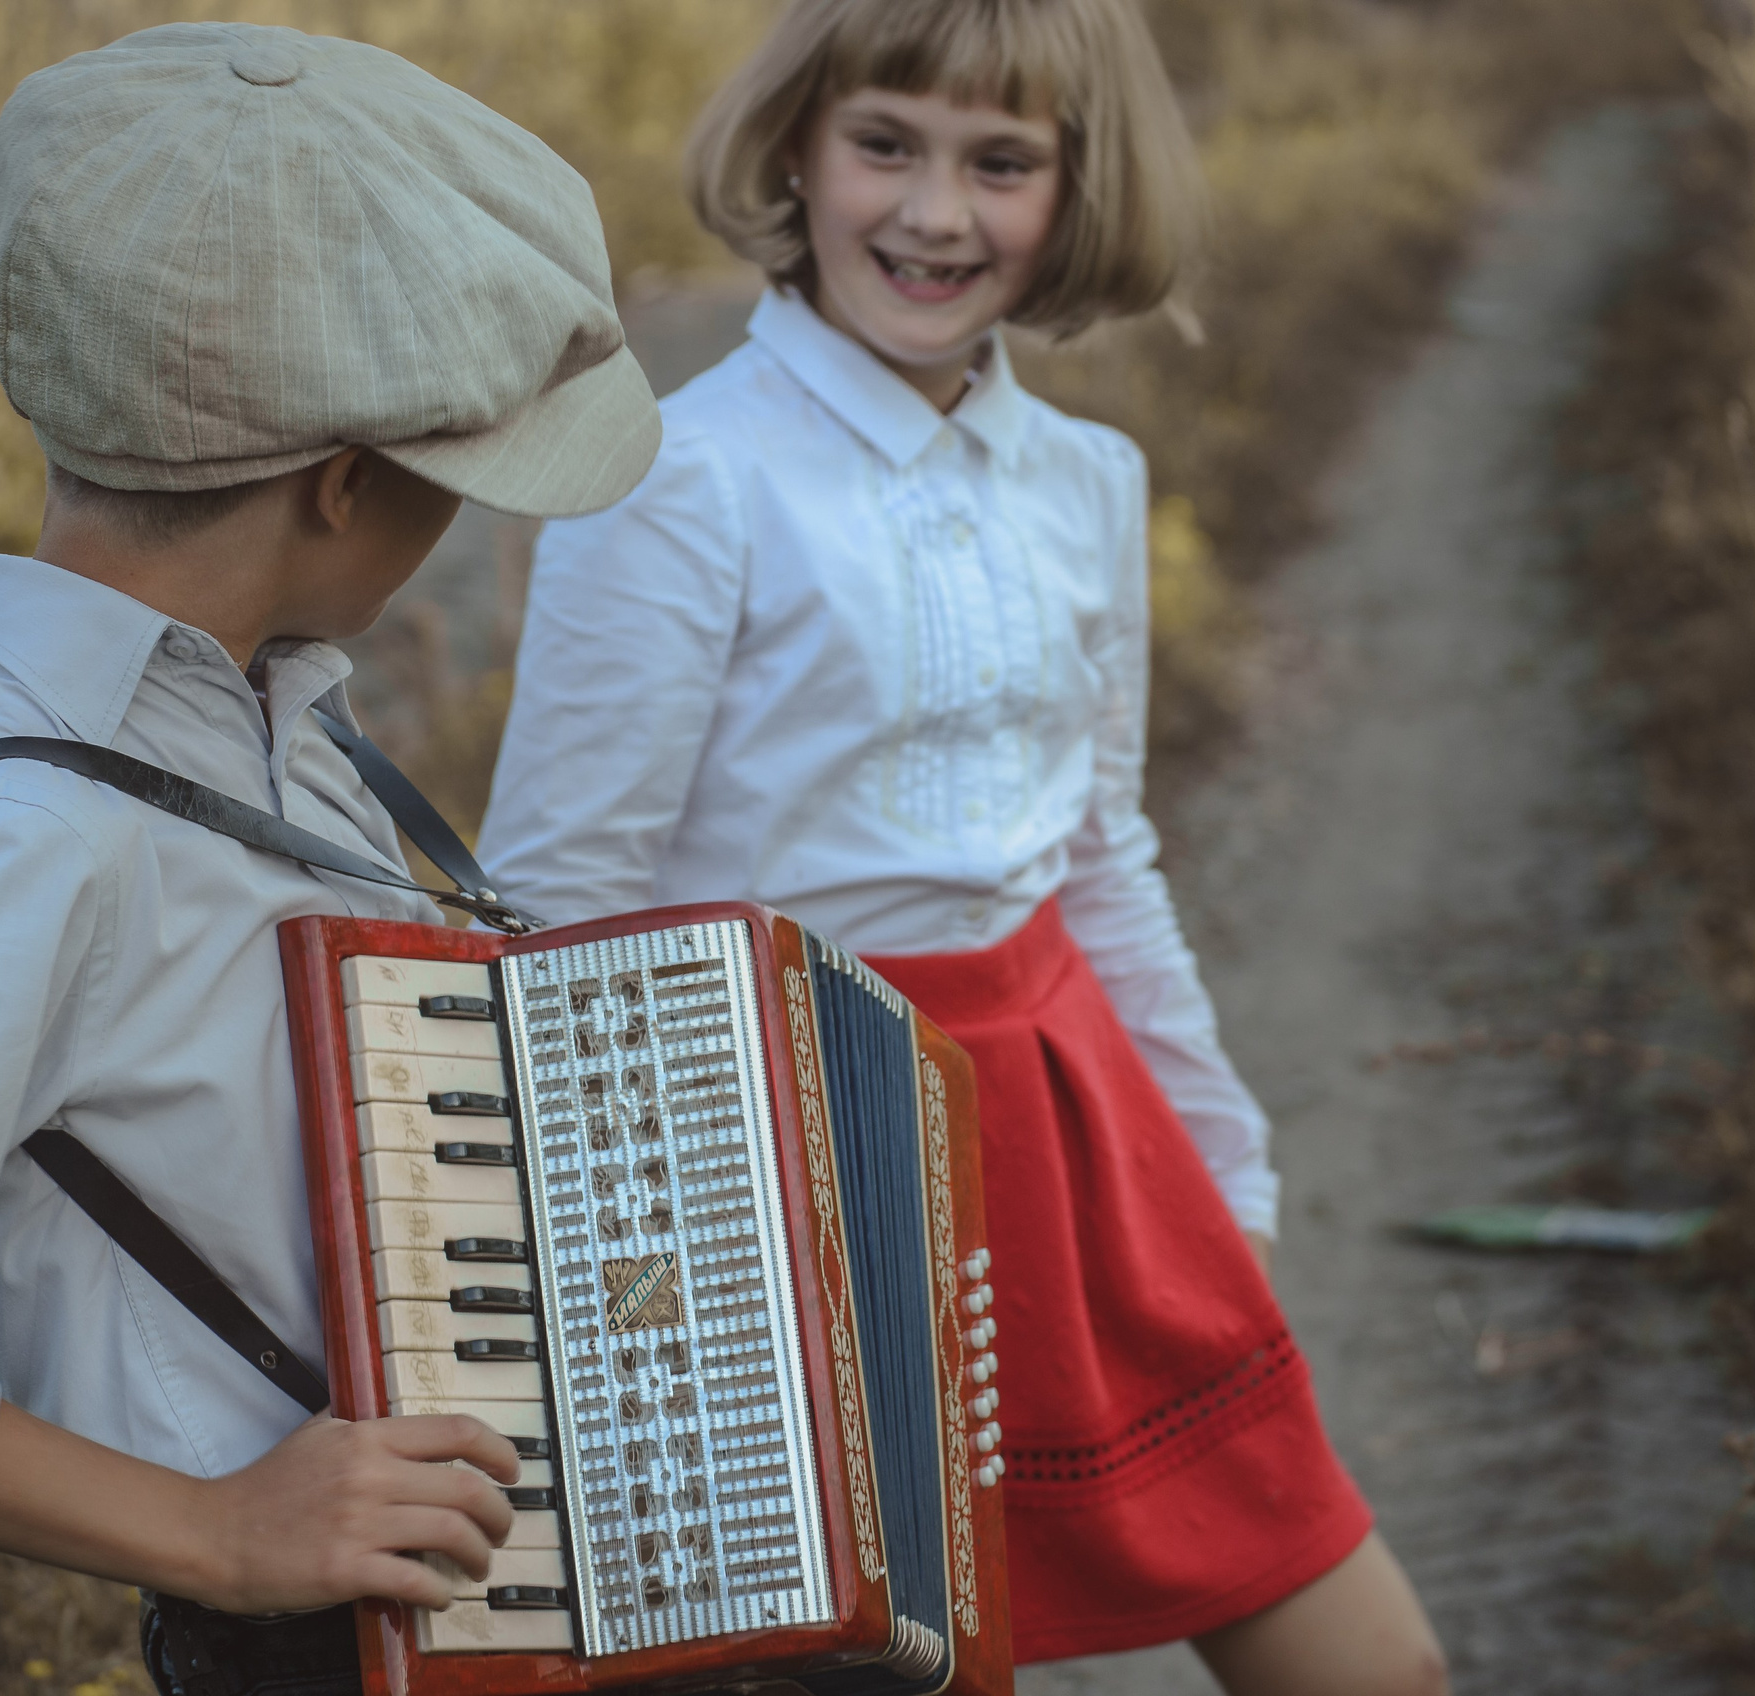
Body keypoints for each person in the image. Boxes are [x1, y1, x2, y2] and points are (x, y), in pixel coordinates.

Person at [0, 24, 659, 1696]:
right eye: (461, 480)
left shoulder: (255, 715)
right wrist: (224, 1536)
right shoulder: (33, 836)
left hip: (471, 1582)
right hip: (310, 1647)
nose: (469, 518)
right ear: (343, 485)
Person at [473, 2, 1447, 1690]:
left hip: (1074, 1130)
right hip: (802, 1156)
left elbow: (1099, 855)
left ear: (1074, 193)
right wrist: (631, 1307)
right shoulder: (682, 478)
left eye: (1000, 164)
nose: (933, 214)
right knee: (907, 1666)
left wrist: (1224, 1159)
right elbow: (560, 911)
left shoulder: (1085, 480)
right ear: (798, 146)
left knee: (1373, 1662)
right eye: (887, 146)